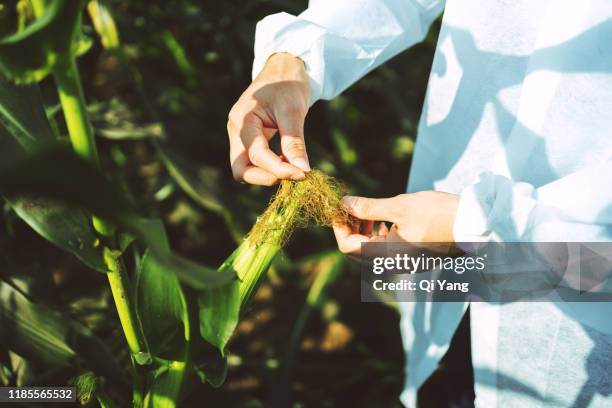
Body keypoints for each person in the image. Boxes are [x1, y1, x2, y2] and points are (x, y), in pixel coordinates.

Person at [227, 1, 612, 406]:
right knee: (445, 373)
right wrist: (296, 56)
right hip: (455, 248)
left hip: (580, 307)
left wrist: (474, 226)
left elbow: (588, 252)